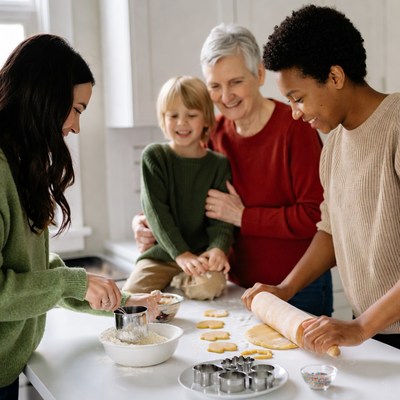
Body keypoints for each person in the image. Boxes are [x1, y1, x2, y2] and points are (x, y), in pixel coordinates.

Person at [133, 23, 333, 316]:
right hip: (238, 288)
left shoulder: (295, 128)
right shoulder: (212, 133)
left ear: (260, 74)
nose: (226, 96)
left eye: (236, 82)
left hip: (299, 288)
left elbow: (316, 217)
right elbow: (182, 196)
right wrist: (144, 222)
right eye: (215, 85)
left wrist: (243, 217)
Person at [0, 34, 160, 399]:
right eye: (77, 109)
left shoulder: (19, 161)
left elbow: (31, 273)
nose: (75, 127)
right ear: (46, 97)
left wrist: (120, 301)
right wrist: (72, 283)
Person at [243, 4, 400, 351]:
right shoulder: (333, 147)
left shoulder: (397, 125)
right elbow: (330, 231)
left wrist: (360, 327)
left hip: (374, 327)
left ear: (335, 77)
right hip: (376, 333)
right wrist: (284, 290)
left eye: (298, 99)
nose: (296, 114)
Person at [123, 76, 234, 300]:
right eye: (173, 116)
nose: (181, 123)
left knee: (210, 287)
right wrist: (180, 254)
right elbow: (156, 213)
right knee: (130, 298)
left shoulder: (218, 164)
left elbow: (221, 218)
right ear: (163, 120)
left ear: (205, 119)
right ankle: (174, 282)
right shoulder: (154, 156)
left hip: (200, 258)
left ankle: (178, 284)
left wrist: (218, 248)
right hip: (162, 255)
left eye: (191, 115)